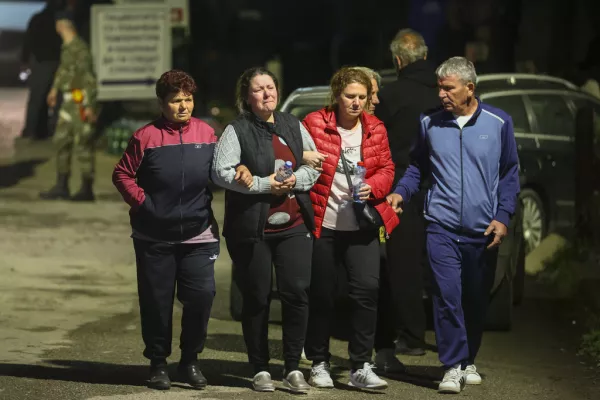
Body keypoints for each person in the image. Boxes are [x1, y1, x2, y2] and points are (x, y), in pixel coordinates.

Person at [387, 57, 520, 394]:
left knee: (474, 299)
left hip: (483, 230)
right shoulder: (429, 122)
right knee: (447, 296)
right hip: (441, 224)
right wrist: (401, 192)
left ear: (469, 88)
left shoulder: (499, 122)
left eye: (449, 88)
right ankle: (452, 365)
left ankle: (468, 358)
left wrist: (503, 216)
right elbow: (417, 166)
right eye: (440, 88)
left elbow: (509, 174)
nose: (442, 94)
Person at [212, 67, 319, 393]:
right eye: (258, 89)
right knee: (256, 297)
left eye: (270, 87)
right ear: (247, 96)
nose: (266, 93)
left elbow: (313, 168)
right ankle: (259, 367)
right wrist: (263, 185)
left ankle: (292, 368)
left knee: (297, 293)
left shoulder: (292, 124)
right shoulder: (236, 129)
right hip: (252, 229)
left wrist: (292, 181)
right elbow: (220, 172)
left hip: (294, 224)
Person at [112, 70, 219, 391]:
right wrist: (145, 204)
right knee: (157, 302)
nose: (183, 106)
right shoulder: (145, 137)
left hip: (199, 235)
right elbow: (122, 175)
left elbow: (222, 171)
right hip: (154, 237)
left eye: (188, 99)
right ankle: (158, 363)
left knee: (202, 297)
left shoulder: (208, 133)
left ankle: (189, 361)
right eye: (175, 101)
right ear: (162, 104)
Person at [302, 67, 399, 390]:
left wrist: (374, 186)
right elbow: (293, 155)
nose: (357, 103)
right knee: (322, 295)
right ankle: (319, 361)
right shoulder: (316, 123)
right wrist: (305, 157)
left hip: (361, 225)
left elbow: (387, 167)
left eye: (362, 97)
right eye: (350, 96)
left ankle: (360, 364)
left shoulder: (376, 128)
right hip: (324, 223)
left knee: (366, 292)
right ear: (336, 96)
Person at [374, 28, 440, 357]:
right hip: (445, 186)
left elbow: (376, 144)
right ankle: (451, 338)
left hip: (401, 189)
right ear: (425, 57)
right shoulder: (448, 92)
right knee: (446, 264)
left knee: (404, 264)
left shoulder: (391, 95)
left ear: (398, 60)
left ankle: (412, 335)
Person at [39, 10, 97, 202]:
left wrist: (89, 105)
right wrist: (54, 91)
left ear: (62, 25)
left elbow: (89, 78)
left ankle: (86, 188)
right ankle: (62, 185)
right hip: (67, 102)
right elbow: (63, 72)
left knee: (82, 142)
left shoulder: (80, 49)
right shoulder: (67, 48)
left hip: (79, 101)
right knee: (61, 140)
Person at [20, 0, 62, 140]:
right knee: (58, 100)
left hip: (41, 63)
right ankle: (54, 131)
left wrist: (25, 60)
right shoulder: (62, 19)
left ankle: (32, 130)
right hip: (58, 62)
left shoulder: (37, 18)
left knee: (37, 99)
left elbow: (28, 41)